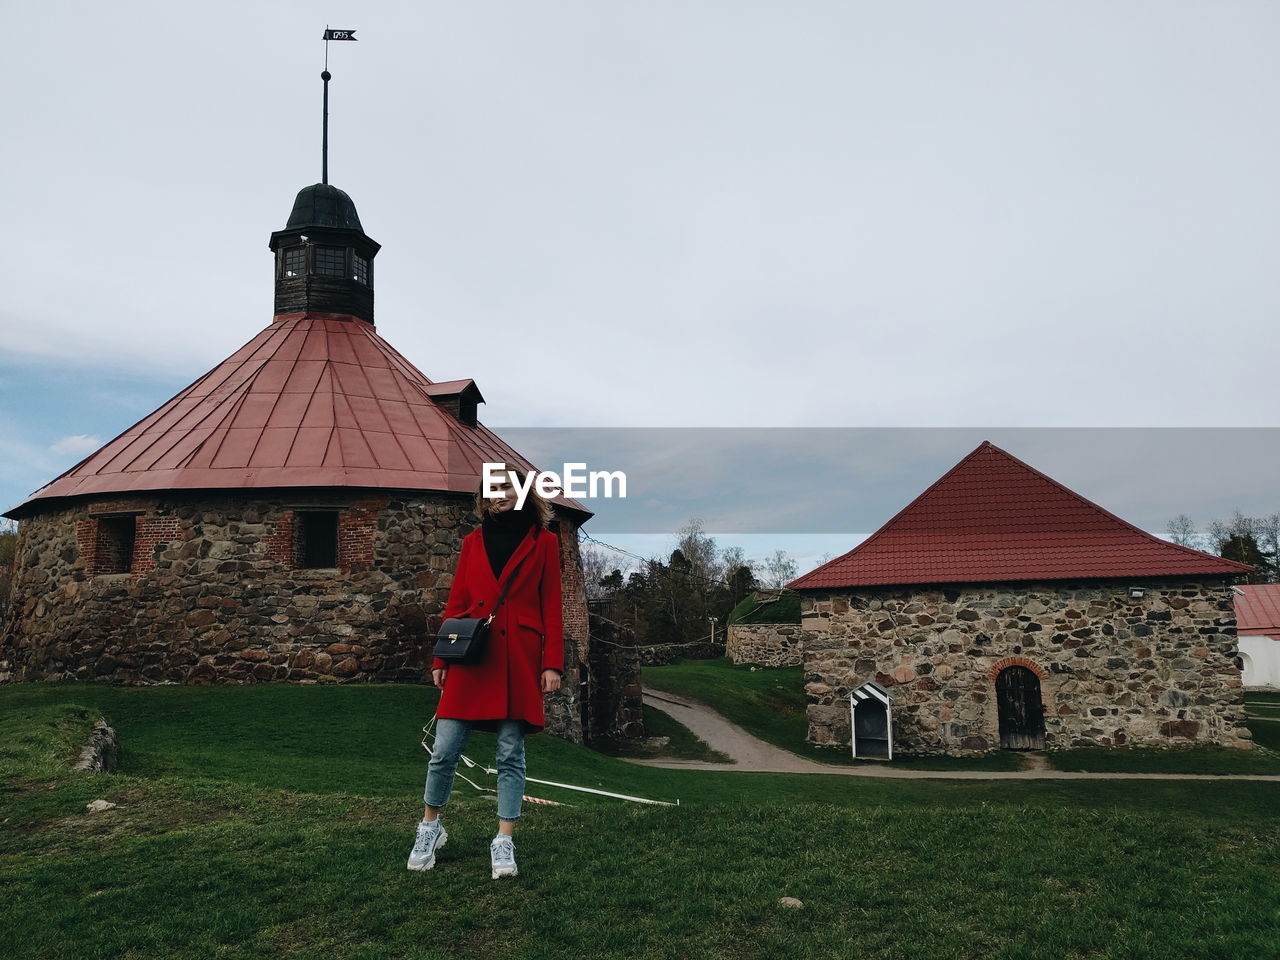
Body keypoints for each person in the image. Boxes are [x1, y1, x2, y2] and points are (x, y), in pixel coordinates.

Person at [408, 463, 564, 879]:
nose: (497, 493)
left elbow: (551, 604)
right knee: (444, 750)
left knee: (510, 752)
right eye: (491, 487)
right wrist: (441, 658)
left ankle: (504, 840)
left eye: (505, 486)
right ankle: (429, 826)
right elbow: (457, 601)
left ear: (522, 492)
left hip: (518, 657)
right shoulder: (472, 542)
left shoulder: (545, 542)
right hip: (472, 656)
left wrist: (552, 662)